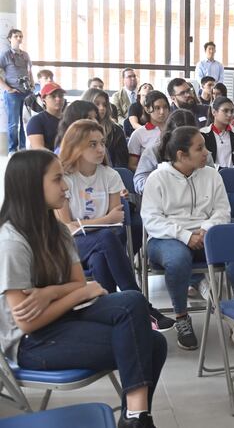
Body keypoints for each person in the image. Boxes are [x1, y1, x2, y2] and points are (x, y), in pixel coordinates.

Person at [0, 150, 167, 428]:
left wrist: (53, 292)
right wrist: (78, 292)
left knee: (133, 301)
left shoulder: (58, 230)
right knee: (153, 344)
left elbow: (79, 283)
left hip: (66, 317)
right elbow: (29, 322)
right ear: (30, 185)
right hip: (33, 343)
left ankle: (135, 416)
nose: (66, 186)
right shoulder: (11, 242)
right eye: (57, 179)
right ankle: (137, 418)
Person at [55, 119, 174, 330]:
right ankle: (140, 305)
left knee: (101, 257)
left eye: (102, 142)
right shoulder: (64, 179)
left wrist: (92, 223)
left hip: (104, 245)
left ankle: (110, 319)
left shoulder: (110, 175)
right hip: (70, 247)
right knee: (106, 238)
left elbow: (117, 221)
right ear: (75, 146)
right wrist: (104, 221)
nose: (101, 149)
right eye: (92, 144)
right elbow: (67, 227)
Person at [142, 126, 234, 351]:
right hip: (166, 238)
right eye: (200, 148)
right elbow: (152, 220)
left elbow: (222, 210)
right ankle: (182, 317)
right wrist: (185, 235)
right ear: (182, 155)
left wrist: (205, 229)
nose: (207, 152)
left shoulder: (212, 174)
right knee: (178, 259)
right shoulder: (157, 178)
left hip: (206, 234)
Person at [134, 109, 212, 194]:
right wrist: (163, 185)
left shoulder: (203, 153)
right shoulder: (153, 152)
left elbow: (211, 179)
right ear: (170, 135)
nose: (184, 144)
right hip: (163, 200)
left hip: (197, 199)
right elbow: (139, 182)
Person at [1, 29, 33, 153]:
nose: (19, 38)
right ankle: (12, 149)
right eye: (16, 36)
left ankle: (23, 148)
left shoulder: (25, 55)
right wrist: (8, 88)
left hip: (26, 93)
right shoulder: (5, 55)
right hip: (13, 95)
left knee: (25, 123)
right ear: (10, 38)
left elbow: (29, 72)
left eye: (20, 36)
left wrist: (31, 86)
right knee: (13, 124)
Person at [81, 88, 130, 168]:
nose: (102, 108)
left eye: (104, 105)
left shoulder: (116, 131)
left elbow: (121, 165)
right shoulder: (76, 130)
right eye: (97, 104)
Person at [200, 96, 234, 169]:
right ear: (214, 112)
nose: (229, 115)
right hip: (209, 177)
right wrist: (219, 169)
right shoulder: (201, 135)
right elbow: (199, 160)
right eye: (225, 111)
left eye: (231, 111)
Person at [127, 91, 170, 172]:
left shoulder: (174, 130)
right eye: (157, 108)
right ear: (147, 109)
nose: (162, 112)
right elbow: (132, 165)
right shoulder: (139, 134)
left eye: (165, 107)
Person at [26, 82, 65, 151]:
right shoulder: (36, 121)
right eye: (53, 96)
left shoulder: (69, 119)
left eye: (61, 96)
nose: (58, 99)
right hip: (47, 160)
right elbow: (39, 149)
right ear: (43, 100)